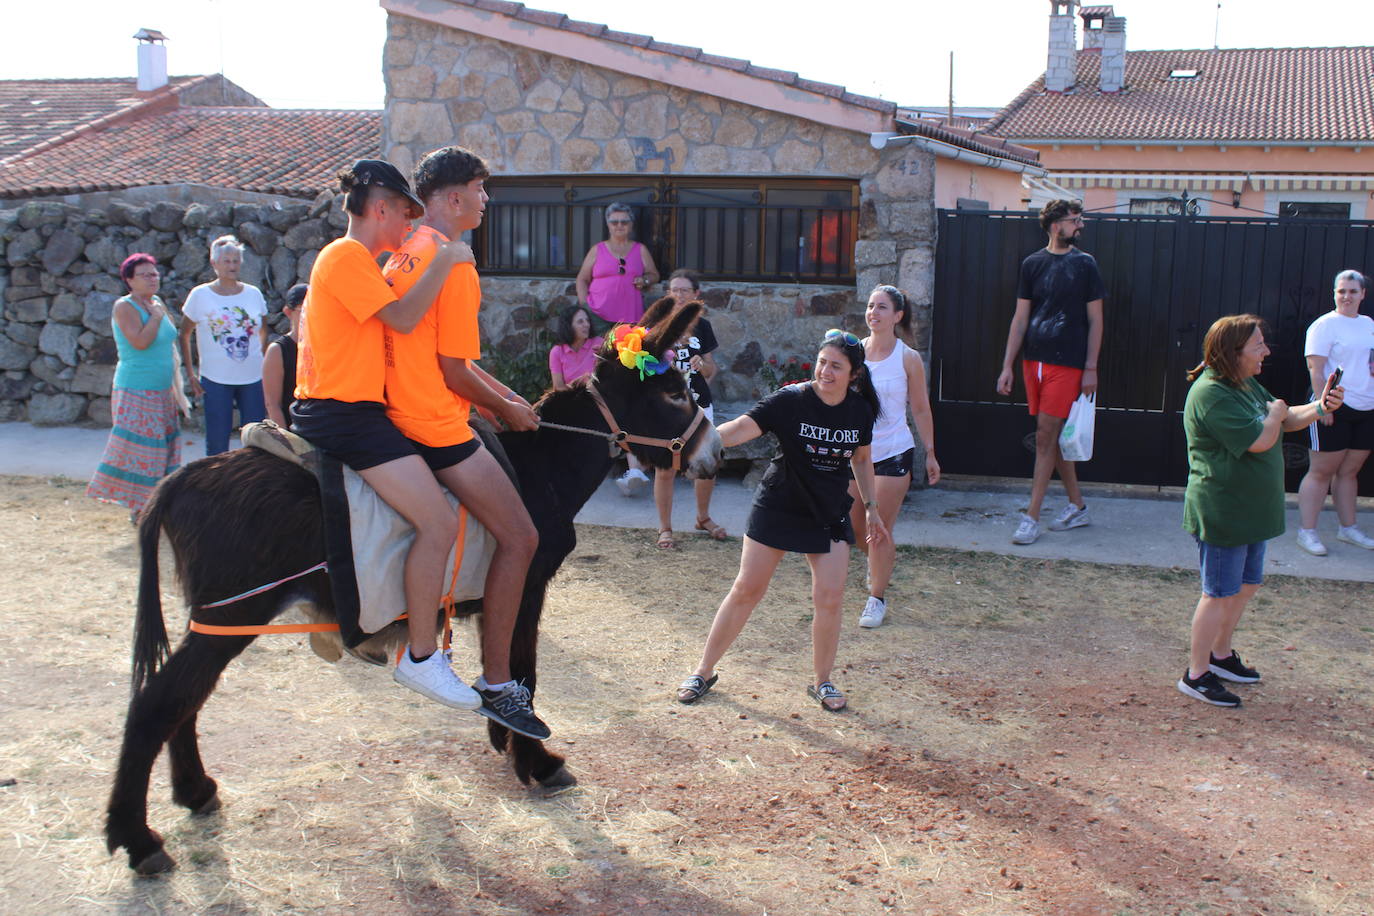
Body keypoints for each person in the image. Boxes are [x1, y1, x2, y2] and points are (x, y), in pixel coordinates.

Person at [289, 158, 480, 712]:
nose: (407, 226)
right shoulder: (346, 256)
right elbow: (401, 319)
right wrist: (445, 260)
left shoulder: (363, 262)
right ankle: (422, 657)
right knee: (439, 522)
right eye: (404, 213)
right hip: (342, 415)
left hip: (355, 411)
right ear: (379, 209)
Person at [382, 145, 550, 739]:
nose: (486, 199)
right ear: (453, 198)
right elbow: (453, 373)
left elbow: (456, 361)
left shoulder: (409, 249)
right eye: (481, 189)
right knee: (523, 535)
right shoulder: (455, 263)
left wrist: (506, 398)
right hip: (431, 422)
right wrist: (504, 407)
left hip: (400, 411)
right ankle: (499, 682)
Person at [676, 329, 889, 713]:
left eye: (836, 366)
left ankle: (823, 681)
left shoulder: (858, 411)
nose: (825, 371)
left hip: (827, 510)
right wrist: (704, 442)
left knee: (830, 597)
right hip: (779, 503)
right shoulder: (791, 400)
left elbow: (860, 458)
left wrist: (871, 505)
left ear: (854, 374)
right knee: (747, 589)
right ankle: (703, 671)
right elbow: (743, 426)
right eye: (822, 362)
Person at [1178, 314, 1343, 707]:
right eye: (1258, 346)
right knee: (1217, 593)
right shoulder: (1211, 393)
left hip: (1251, 510)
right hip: (1225, 510)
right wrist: (1274, 414)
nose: (1265, 351)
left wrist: (1319, 406)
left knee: (1247, 585)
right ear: (1233, 352)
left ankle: (1220, 656)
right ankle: (1196, 674)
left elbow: (1285, 419)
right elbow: (1261, 439)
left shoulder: (1242, 382)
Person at [996, 199, 1105, 546]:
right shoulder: (1032, 264)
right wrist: (1007, 366)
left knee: (1045, 436)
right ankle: (1078, 505)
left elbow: (1096, 320)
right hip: (1034, 362)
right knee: (1051, 437)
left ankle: (1031, 517)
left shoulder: (1086, 265)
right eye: (1075, 220)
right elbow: (1019, 319)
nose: (1081, 226)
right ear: (1056, 225)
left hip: (1068, 363)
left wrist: (1091, 367)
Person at [847, 285, 940, 627]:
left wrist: (930, 452)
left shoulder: (908, 357)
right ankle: (877, 569)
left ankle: (877, 597)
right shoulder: (853, 352)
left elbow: (920, 408)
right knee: (858, 530)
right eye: (871, 306)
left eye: (882, 307)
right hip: (857, 457)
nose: (873, 312)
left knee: (879, 529)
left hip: (894, 454)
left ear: (897, 316)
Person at [87, 253, 181, 517]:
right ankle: (141, 508)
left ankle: (159, 503)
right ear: (129, 280)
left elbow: (168, 343)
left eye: (155, 273)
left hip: (162, 389)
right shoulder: (125, 307)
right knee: (144, 452)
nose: (153, 278)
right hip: (137, 389)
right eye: (145, 274)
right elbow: (140, 342)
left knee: (162, 448)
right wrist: (155, 318)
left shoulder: (156, 303)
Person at [1294, 269, 1374, 555]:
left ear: (1363, 294)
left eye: (1353, 291)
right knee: (1321, 471)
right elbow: (1315, 369)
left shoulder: (1368, 324)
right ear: (1334, 293)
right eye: (1342, 291)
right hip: (1334, 407)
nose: (1347, 296)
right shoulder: (1324, 326)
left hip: (1366, 407)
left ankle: (1348, 528)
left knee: (1350, 471)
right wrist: (1322, 405)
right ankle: (1308, 532)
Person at [651, 269, 725, 548]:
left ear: (696, 295)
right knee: (666, 468)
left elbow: (711, 369)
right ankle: (665, 528)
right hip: (667, 408)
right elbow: (642, 366)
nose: (679, 295)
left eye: (684, 290)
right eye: (674, 290)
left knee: (707, 463)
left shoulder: (703, 327)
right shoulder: (656, 326)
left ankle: (703, 518)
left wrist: (701, 365)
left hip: (699, 404)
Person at [178, 235, 269, 455]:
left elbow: (263, 330)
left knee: (256, 440)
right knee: (217, 441)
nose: (232, 266)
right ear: (214, 263)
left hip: (252, 378)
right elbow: (185, 334)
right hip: (216, 379)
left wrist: (264, 363)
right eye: (226, 261)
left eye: (236, 261)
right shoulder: (200, 295)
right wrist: (191, 373)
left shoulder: (253, 294)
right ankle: (216, 487)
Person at [575, 202, 659, 328]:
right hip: (598, 314)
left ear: (631, 225)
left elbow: (654, 275)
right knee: (599, 347)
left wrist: (645, 280)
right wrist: (585, 305)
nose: (619, 225)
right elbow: (582, 279)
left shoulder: (640, 249)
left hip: (630, 314)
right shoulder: (597, 249)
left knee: (628, 347)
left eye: (624, 222)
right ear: (608, 225)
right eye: (614, 222)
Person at [261, 283, 308, 427]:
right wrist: (285, 441)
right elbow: (272, 404)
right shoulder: (277, 351)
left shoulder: (325, 347)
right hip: (292, 428)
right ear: (288, 312)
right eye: (303, 310)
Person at [548, 304, 603, 389]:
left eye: (587, 320)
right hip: (571, 399)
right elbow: (558, 387)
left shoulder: (599, 343)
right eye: (580, 321)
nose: (586, 324)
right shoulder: (557, 352)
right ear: (568, 326)